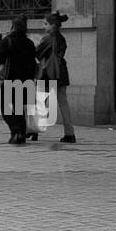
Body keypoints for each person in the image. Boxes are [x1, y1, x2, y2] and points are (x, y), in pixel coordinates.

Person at [0, 16, 39, 144]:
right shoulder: (29, 43)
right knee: (19, 108)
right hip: (26, 80)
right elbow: (33, 62)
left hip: (11, 79)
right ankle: (21, 134)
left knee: (4, 105)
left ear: (13, 26)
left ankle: (16, 130)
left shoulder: (7, 41)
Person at [37, 11, 76, 143]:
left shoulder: (47, 39)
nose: (43, 26)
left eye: (45, 24)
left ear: (53, 25)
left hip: (47, 73)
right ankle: (70, 133)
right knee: (63, 103)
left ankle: (34, 129)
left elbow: (38, 54)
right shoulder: (61, 38)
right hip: (61, 73)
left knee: (40, 101)